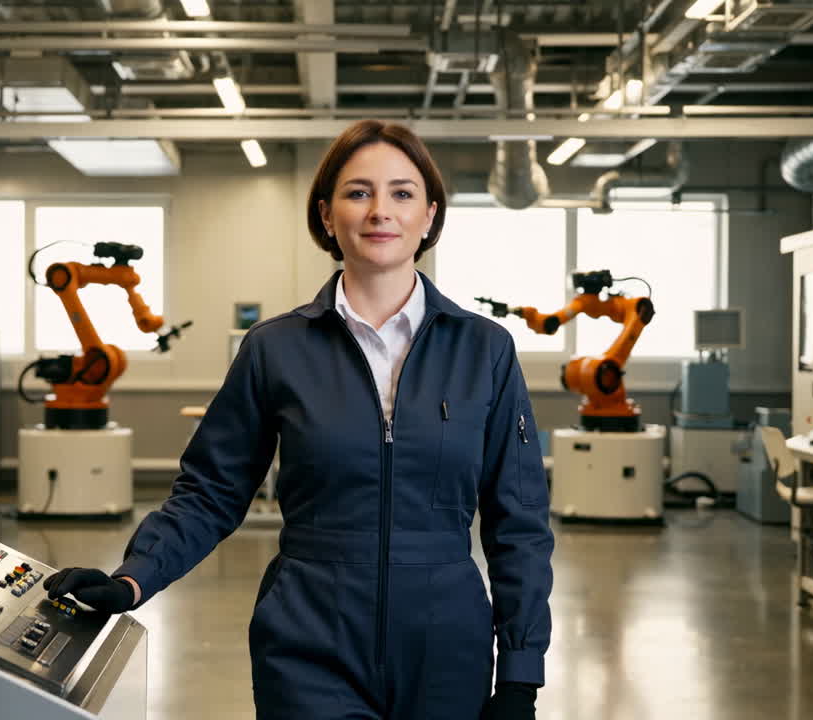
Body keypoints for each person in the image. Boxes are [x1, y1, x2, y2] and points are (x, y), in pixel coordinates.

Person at [44, 120, 554, 720]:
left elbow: (517, 522)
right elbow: (210, 491)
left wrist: (521, 671)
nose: (379, 211)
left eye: (402, 193)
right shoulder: (275, 348)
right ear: (327, 215)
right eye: (358, 192)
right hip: (310, 639)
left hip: (446, 647)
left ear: (429, 216)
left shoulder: (484, 350)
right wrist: (134, 578)